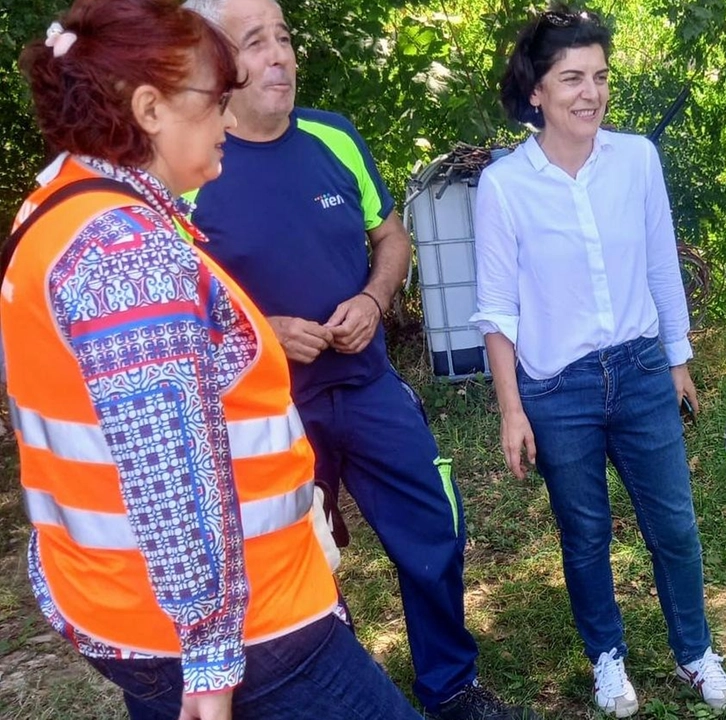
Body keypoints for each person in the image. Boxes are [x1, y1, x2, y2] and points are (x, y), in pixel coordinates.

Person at [2, 1, 423, 718]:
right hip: (246, 631)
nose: (230, 119)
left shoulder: (60, 203)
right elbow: (170, 478)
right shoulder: (125, 255)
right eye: (215, 99)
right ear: (150, 109)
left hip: (124, 609)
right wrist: (210, 656)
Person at [177, 1, 538, 718]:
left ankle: (449, 685)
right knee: (300, 555)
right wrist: (263, 331)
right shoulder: (190, 166)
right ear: (216, 62)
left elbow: (392, 236)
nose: (280, 55)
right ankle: (332, 683)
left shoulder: (333, 138)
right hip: (270, 410)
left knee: (435, 523)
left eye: (284, 37)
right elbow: (175, 310)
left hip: (367, 383)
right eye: (257, 42)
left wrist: (374, 301)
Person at [470, 7, 726, 718]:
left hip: (641, 370)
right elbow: (497, 307)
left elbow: (661, 262)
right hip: (557, 389)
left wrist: (677, 360)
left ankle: (696, 653)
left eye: (599, 77)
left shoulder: (636, 160)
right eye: (572, 79)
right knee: (585, 533)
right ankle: (608, 659)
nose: (590, 93)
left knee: (675, 526)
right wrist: (511, 408)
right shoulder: (503, 185)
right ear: (536, 91)